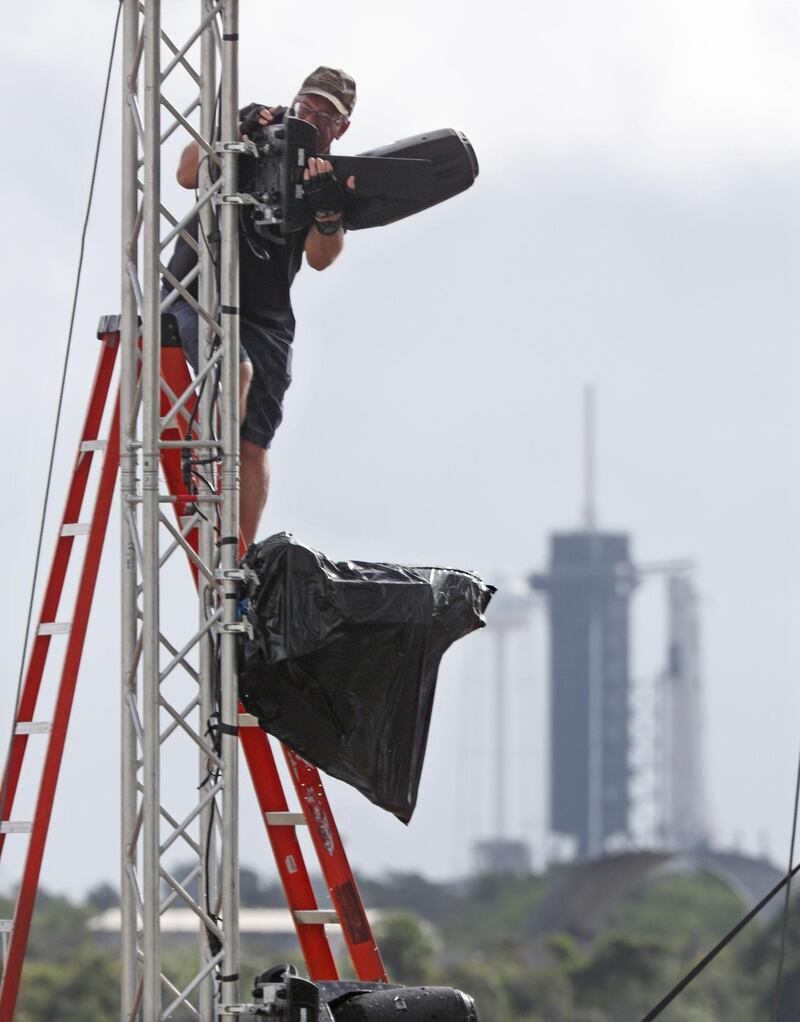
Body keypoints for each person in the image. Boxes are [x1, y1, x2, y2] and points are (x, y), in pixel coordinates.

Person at [164, 66, 356, 546]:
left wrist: (328, 212)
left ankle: (240, 557)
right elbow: (187, 173)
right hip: (198, 288)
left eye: (324, 115)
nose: (309, 117)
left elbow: (320, 258)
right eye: (306, 105)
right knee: (238, 373)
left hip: (267, 317)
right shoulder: (254, 133)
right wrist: (235, 131)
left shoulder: (329, 176)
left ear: (341, 128)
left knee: (255, 444)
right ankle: (204, 459)